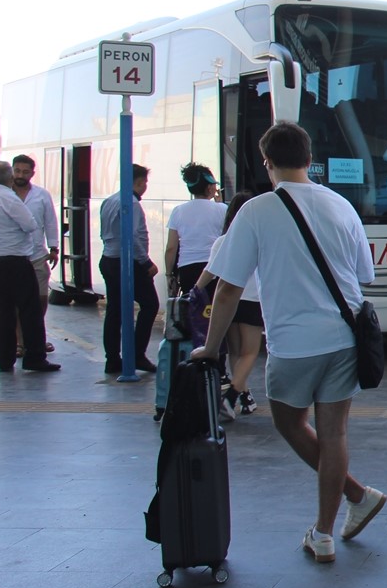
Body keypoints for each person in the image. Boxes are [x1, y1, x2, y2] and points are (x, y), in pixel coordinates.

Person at [193, 122, 386, 564]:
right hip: (344, 338)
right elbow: (364, 275)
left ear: (268, 162)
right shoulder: (340, 205)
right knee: (334, 432)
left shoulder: (257, 210)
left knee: (289, 423)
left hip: (292, 343)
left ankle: (353, 501)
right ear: (308, 156)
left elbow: (227, 288)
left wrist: (210, 347)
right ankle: (328, 527)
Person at [0, 161, 59, 372]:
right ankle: (34, 357)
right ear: (9, 178)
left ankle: (5, 359)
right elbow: (30, 225)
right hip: (16, 262)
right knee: (30, 310)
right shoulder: (10, 198)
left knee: (0, 312)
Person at [196, 192, 264, 417]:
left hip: (229, 302)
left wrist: (194, 291)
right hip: (253, 301)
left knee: (235, 352)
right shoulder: (259, 238)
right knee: (250, 352)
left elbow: (211, 270)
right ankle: (232, 396)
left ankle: (246, 399)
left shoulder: (222, 241)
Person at [100, 163, 159, 374]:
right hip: (126, 262)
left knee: (114, 309)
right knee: (150, 305)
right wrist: (145, 262)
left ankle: (112, 359)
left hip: (108, 258)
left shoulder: (109, 200)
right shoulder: (131, 203)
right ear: (140, 182)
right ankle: (137, 355)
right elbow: (132, 237)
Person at [10, 155, 59, 357]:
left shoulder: (41, 195)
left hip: (37, 255)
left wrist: (54, 247)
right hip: (13, 256)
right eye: (17, 171)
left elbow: (50, 221)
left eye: (25, 171)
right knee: (16, 303)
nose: (20, 175)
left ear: (32, 173)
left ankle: (37, 337)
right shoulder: (5, 194)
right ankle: (20, 342)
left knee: (40, 299)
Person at [165, 163, 227, 296]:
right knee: (212, 309)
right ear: (210, 187)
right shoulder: (222, 209)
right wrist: (220, 204)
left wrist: (169, 274)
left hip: (187, 269)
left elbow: (171, 247)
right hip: (215, 267)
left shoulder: (178, 211)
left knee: (192, 310)